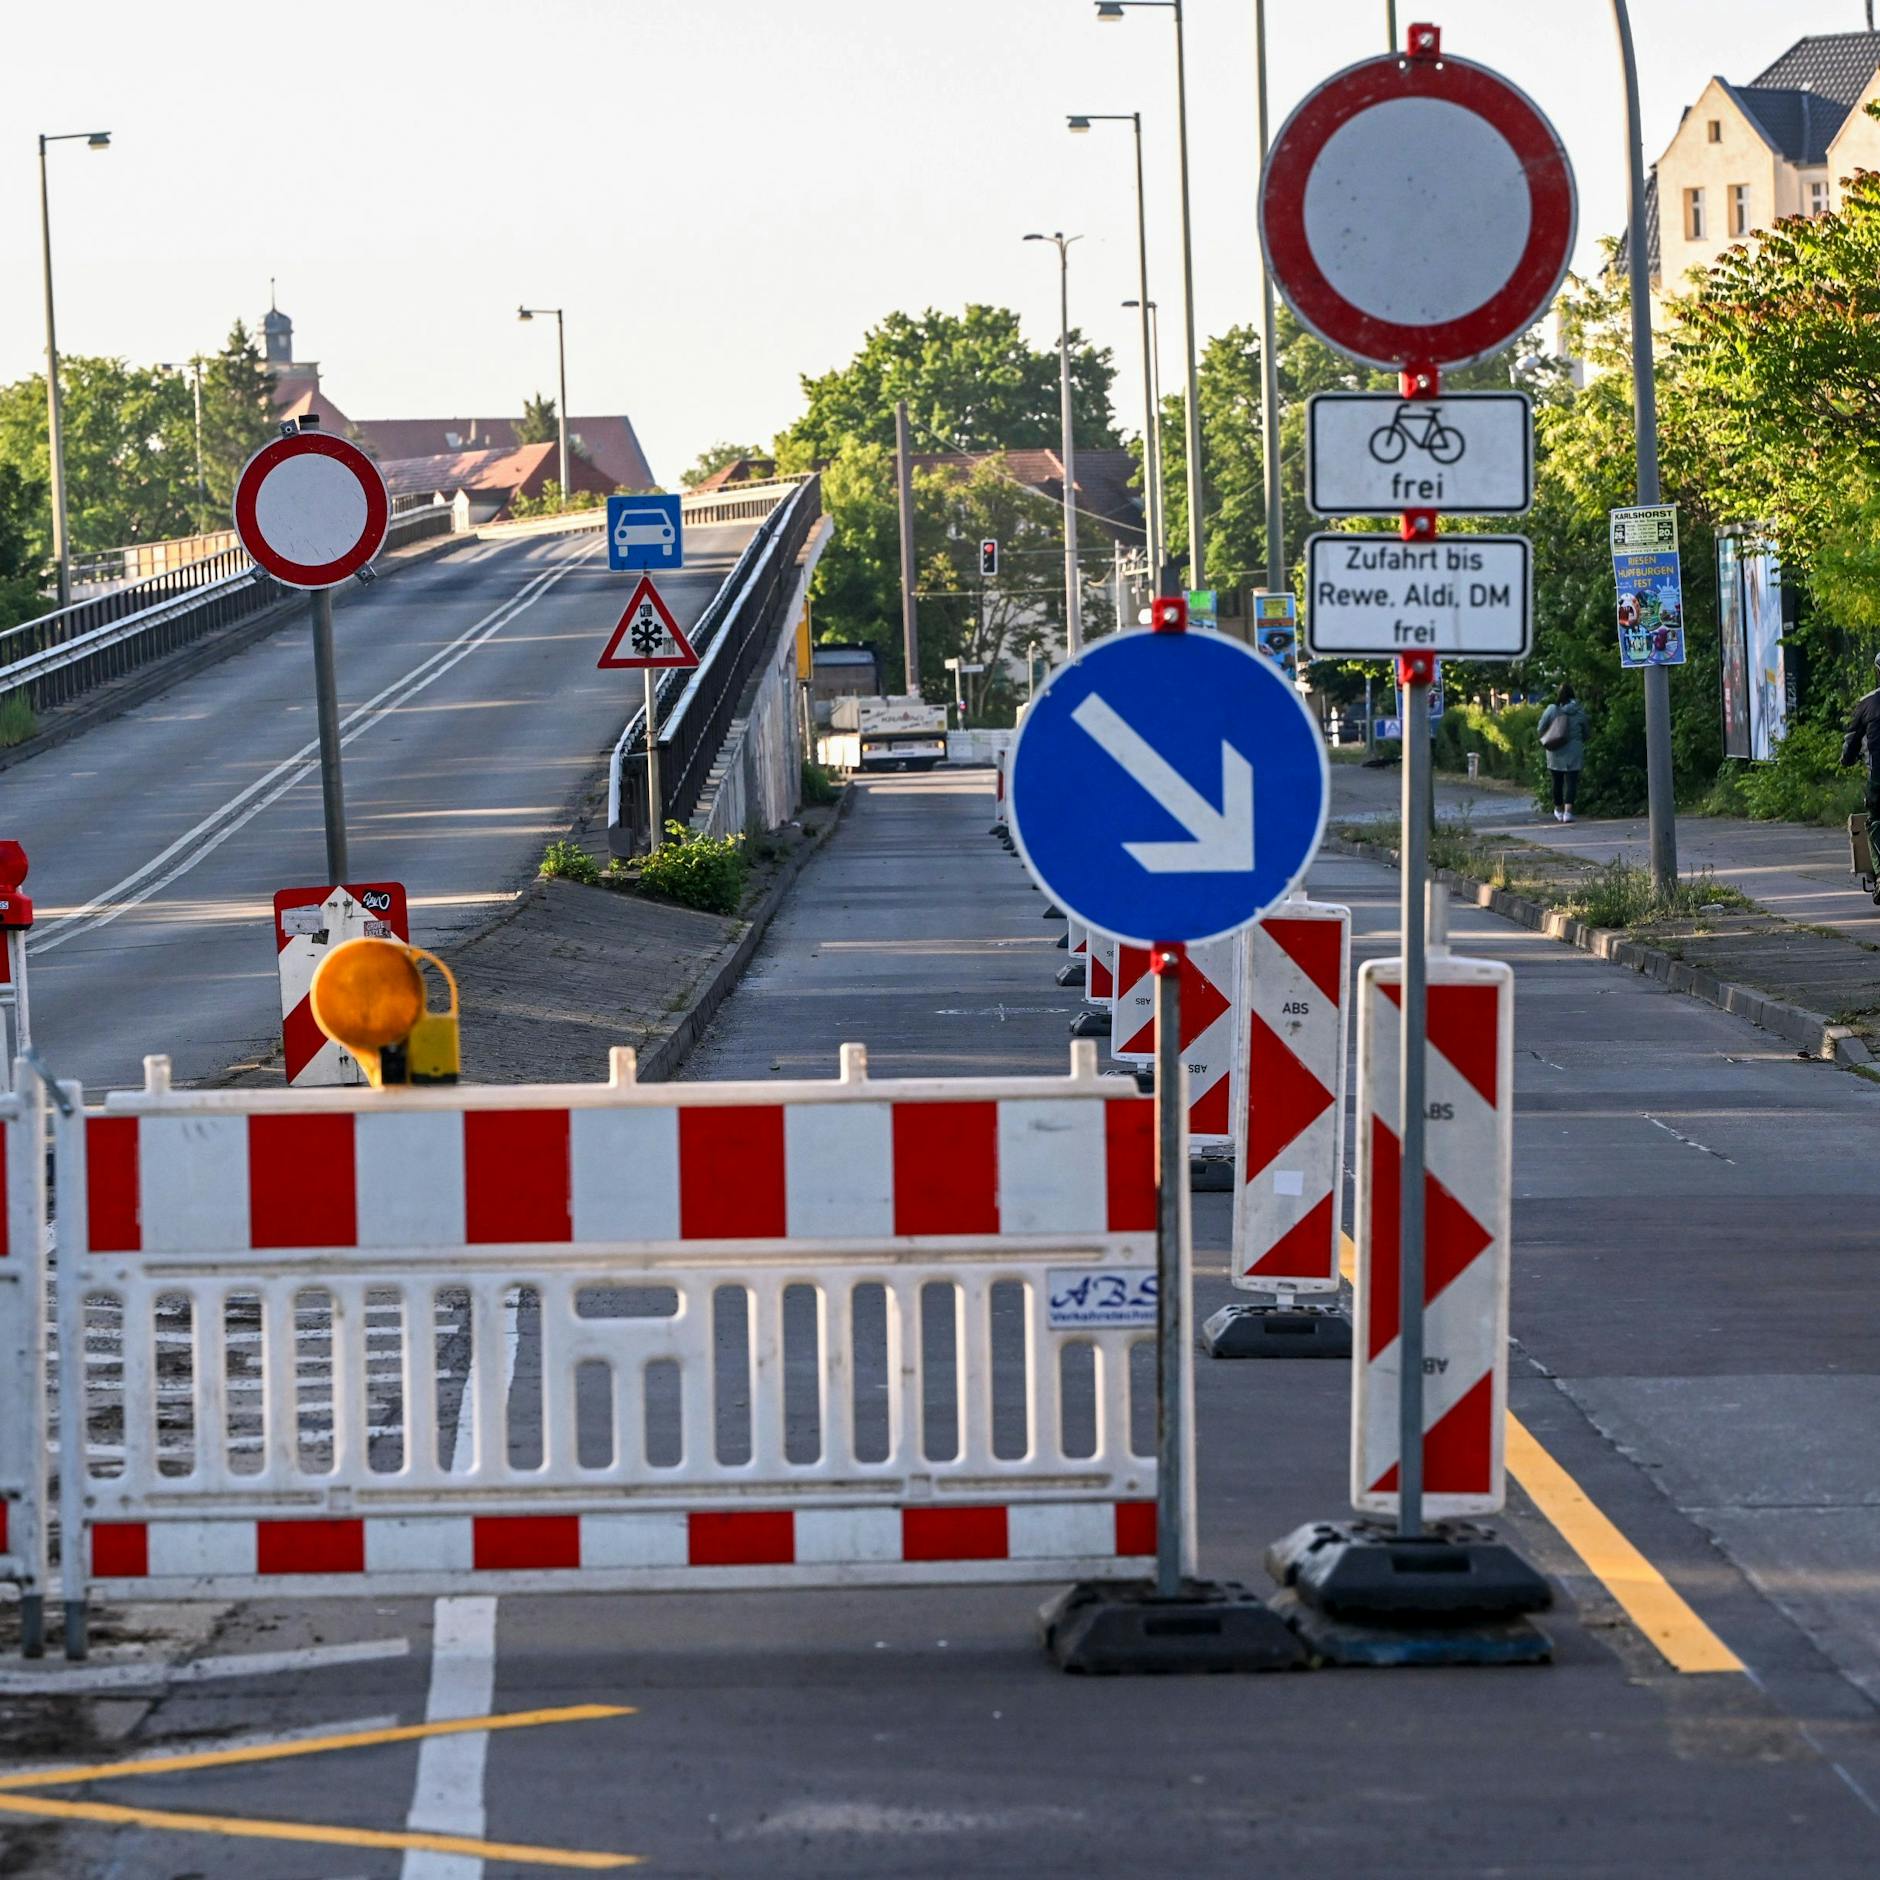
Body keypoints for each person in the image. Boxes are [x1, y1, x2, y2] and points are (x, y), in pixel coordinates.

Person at [1839, 652, 1880, 848]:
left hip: (1878, 776)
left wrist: (1847, 759)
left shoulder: (1868, 703)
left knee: (1875, 821)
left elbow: (1852, 739)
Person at [1537, 682, 1589, 823]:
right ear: (1573, 695)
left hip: (1555, 749)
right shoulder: (1580, 711)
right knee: (1571, 782)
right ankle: (1568, 812)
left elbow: (1540, 727)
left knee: (1557, 781)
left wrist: (1547, 737)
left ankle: (1558, 810)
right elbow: (1586, 732)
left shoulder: (1552, 710)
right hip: (1574, 750)